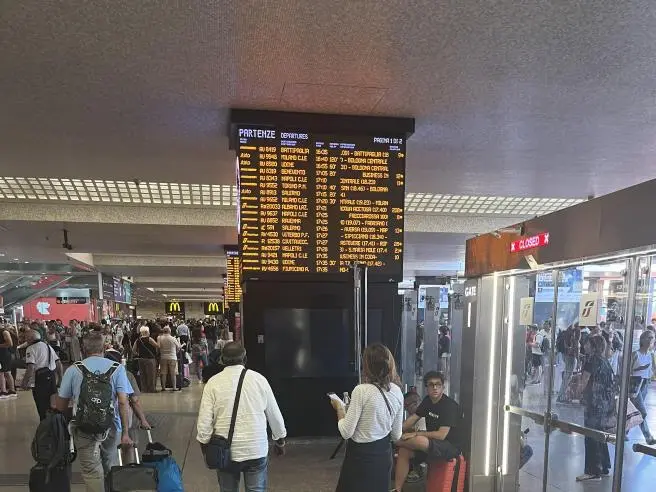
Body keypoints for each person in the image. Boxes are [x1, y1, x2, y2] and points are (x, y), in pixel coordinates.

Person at [197, 342, 287, 492]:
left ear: (222, 360)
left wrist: (206, 449)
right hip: (255, 449)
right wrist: (280, 441)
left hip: (225, 451)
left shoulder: (213, 383)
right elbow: (274, 415)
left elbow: (204, 423)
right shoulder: (259, 380)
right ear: (244, 359)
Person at [55, 332, 133, 492]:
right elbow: (123, 402)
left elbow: (61, 405)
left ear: (83, 349)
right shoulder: (117, 369)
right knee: (110, 465)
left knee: (91, 471)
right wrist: (125, 432)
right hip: (111, 425)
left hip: (83, 426)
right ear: (104, 347)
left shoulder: (73, 369)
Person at [331, 343, 403, 492]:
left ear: (367, 366)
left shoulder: (361, 390)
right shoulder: (397, 391)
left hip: (360, 459)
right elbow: (396, 435)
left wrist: (339, 408)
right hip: (383, 456)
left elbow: (346, 432)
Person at [393, 371, 461, 492]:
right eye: (431, 385)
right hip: (432, 445)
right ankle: (397, 490)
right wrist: (395, 429)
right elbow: (413, 419)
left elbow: (441, 435)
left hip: (449, 447)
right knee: (404, 451)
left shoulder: (449, 406)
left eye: (438, 384)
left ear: (443, 387)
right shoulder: (427, 401)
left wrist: (415, 433)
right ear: (426, 388)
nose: (435, 387)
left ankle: (394, 441)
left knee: (419, 440)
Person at [575, 335, 615, 482]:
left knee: (591, 436)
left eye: (587, 344)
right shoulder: (605, 362)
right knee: (600, 435)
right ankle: (604, 466)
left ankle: (592, 470)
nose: (584, 346)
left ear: (593, 346)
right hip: (605, 404)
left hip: (593, 403)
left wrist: (576, 392)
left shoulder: (591, 360)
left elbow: (584, 380)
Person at [21, 330, 63, 420]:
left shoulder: (31, 348)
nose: (25, 339)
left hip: (40, 379)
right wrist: (60, 378)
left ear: (31, 338)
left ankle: (44, 425)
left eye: (26, 337)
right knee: (52, 403)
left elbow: (31, 368)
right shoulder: (47, 346)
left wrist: (24, 382)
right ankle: (54, 425)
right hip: (51, 377)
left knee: (41, 404)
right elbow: (58, 362)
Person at [629, 330, 656, 445]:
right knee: (642, 412)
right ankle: (648, 436)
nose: (651, 340)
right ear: (643, 339)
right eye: (649, 337)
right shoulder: (636, 354)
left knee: (636, 410)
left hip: (645, 383)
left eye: (653, 337)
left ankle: (624, 431)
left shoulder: (651, 354)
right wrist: (639, 369)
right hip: (635, 383)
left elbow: (653, 369)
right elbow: (627, 370)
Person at [558, 323, 581, 403]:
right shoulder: (576, 331)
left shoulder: (567, 330)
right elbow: (576, 347)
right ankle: (561, 396)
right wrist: (578, 361)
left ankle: (561, 395)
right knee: (568, 376)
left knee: (567, 376)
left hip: (566, 354)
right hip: (571, 356)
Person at [132, 326, 159, 392]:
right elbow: (157, 346)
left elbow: (133, 350)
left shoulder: (138, 340)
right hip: (150, 359)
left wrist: (138, 354)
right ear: (147, 332)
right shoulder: (149, 339)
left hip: (141, 359)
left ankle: (144, 389)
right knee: (151, 375)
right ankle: (151, 389)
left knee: (143, 375)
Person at [157, 326, 181, 391]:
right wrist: (176, 352)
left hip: (163, 357)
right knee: (173, 373)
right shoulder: (173, 338)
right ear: (169, 331)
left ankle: (163, 387)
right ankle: (174, 387)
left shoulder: (159, 338)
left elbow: (158, 347)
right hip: (172, 357)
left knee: (163, 373)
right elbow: (178, 347)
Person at [0, 323, 17, 399]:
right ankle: (8, 390)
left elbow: (10, 343)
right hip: (3, 354)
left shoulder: (4, 332)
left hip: (5, 355)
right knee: (5, 372)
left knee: (4, 372)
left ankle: (5, 391)